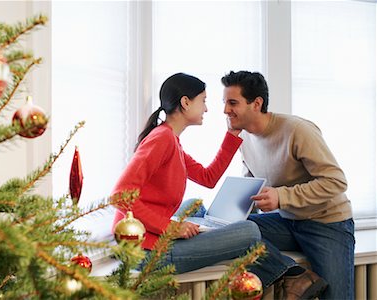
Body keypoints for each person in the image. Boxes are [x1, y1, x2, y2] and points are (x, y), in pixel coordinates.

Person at [111, 73, 325, 299]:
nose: (206, 109)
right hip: (146, 252)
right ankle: (291, 273)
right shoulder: (161, 139)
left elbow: (208, 177)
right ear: (185, 103)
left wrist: (232, 136)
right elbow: (120, 196)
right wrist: (171, 228)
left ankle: (218, 232)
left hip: (147, 240)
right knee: (249, 230)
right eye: (203, 101)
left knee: (196, 206)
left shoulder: (170, 139)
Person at [221, 70, 354, 300]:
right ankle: (295, 275)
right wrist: (233, 212)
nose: (225, 110)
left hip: (327, 223)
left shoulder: (297, 130)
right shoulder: (243, 139)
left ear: (256, 103)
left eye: (233, 103)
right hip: (287, 221)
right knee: (232, 232)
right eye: (224, 103)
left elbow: (336, 181)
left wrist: (281, 197)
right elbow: (253, 183)